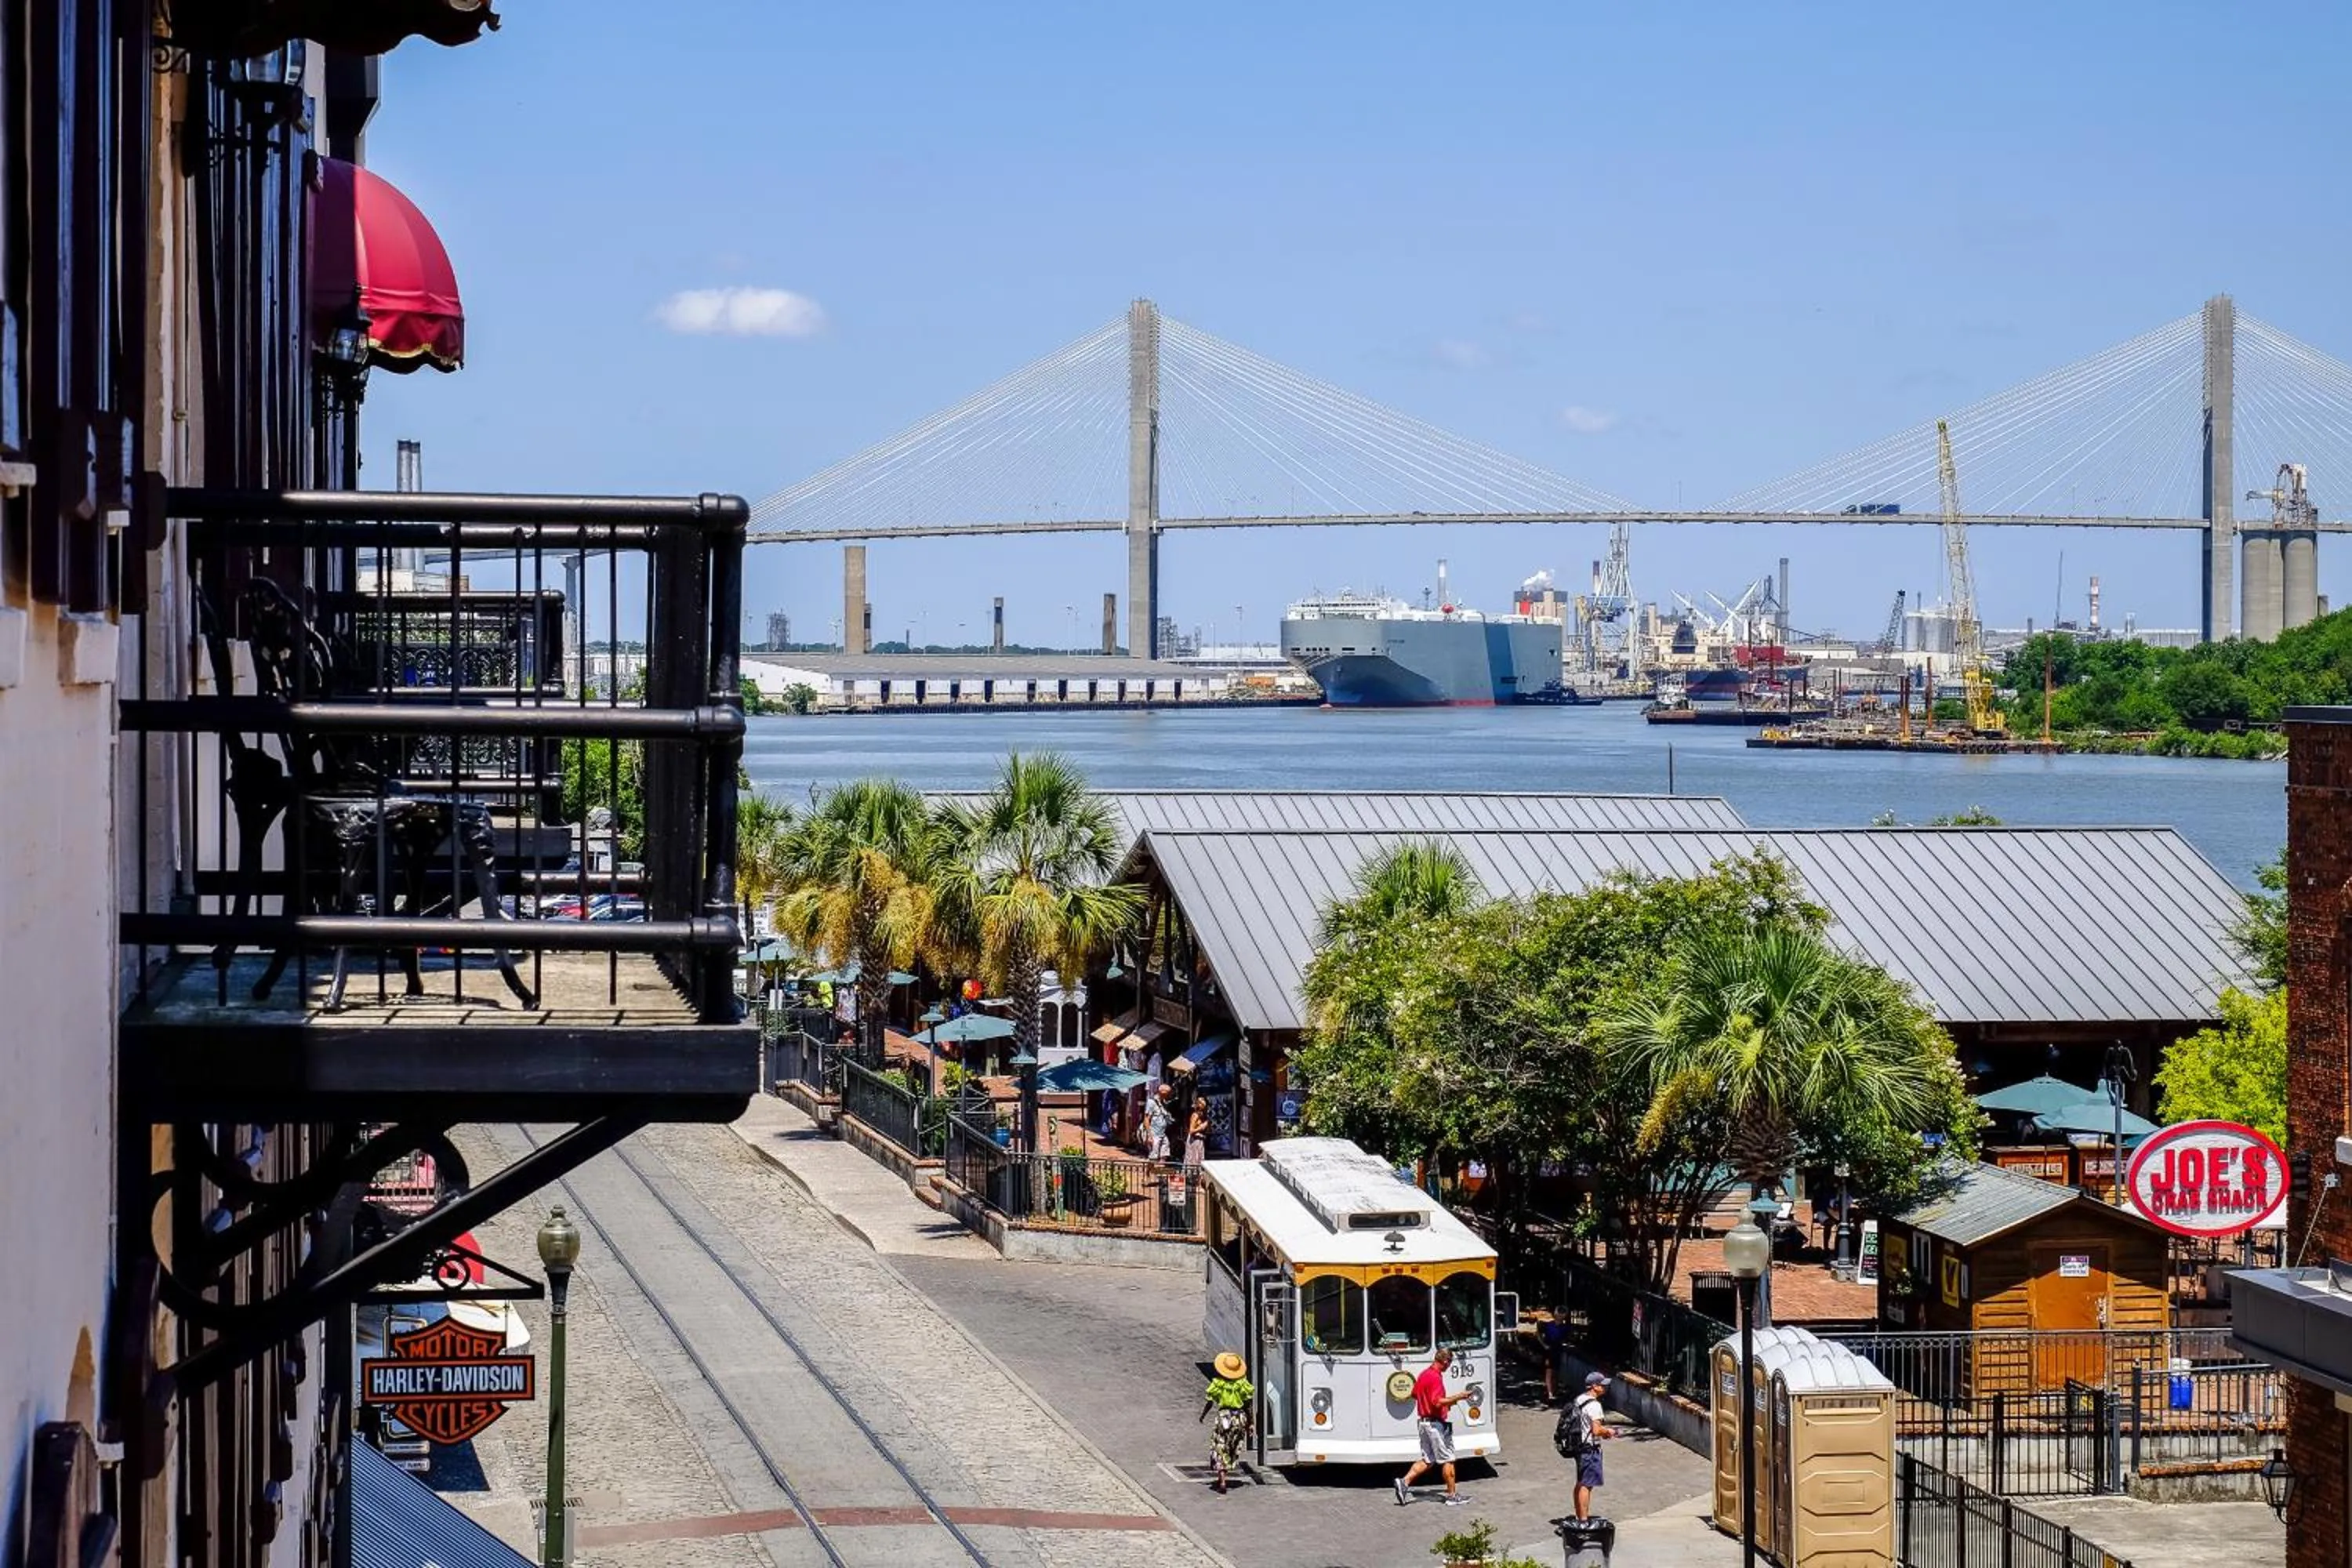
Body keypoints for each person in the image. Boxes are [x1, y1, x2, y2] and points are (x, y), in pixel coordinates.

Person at [1393, 1346, 1473, 1506]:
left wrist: (1434, 1404)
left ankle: (1404, 1482)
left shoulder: (1424, 1374)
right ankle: (1452, 1496)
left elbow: (1415, 1394)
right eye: (1450, 1362)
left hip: (1424, 1423)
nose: (1449, 1366)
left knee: (1428, 1459)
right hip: (1436, 1425)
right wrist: (1460, 1396)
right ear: (1445, 1361)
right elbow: (1437, 1401)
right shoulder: (1435, 1377)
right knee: (1448, 1459)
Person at [1566, 1370, 1617, 1520]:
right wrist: (1608, 1432)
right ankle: (1583, 1520)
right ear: (1594, 1386)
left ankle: (1579, 1515)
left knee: (1581, 1482)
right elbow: (1596, 1430)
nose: (1605, 1388)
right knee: (1586, 1485)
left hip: (1579, 1446)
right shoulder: (1594, 1405)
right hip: (1590, 1448)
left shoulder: (1580, 1399)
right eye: (1602, 1385)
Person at [1200, 1350, 1254, 1494]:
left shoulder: (1218, 1384)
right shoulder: (1242, 1384)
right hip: (1239, 1418)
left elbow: (1210, 1402)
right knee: (1231, 1447)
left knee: (1220, 1447)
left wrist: (1203, 1415)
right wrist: (1251, 1423)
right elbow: (1248, 1405)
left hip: (1224, 1417)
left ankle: (1222, 1479)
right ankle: (1225, 1473)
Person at [1539, 1312, 1570, 1403]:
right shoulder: (1549, 1325)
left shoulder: (1564, 1327)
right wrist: (1544, 1345)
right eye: (1559, 1315)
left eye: (1562, 1315)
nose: (1561, 1316)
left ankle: (1554, 1391)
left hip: (1558, 1351)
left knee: (1556, 1372)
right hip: (1549, 1350)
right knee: (1549, 1371)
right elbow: (1539, 1334)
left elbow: (1566, 1338)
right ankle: (1550, 1393)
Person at [1145, 1083, 1174, 1162]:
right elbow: (1147, 1119)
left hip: (1163, 1133)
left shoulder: (1163, 1103)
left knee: (1164, 1155)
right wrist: (1149, 1135)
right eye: (1168, 1093)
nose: (1169, 1095)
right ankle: (1150, 1169)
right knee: (1153, 1157)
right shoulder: (1152, 1102)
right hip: (1154, 1134)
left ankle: (1160, 1168)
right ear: (1163, 1092)